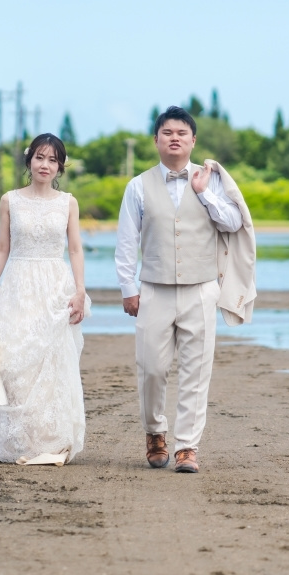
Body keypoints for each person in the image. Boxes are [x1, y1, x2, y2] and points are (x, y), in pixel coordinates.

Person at [115, 106, 247, 473]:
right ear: (156, 140)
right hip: (153, 289)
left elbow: (235, 221)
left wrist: (205, 194)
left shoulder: (213, 180)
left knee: (196, 369)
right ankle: (155, 433)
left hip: (201, 288)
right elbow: (127, 241)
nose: (175, 138)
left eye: (182, 133)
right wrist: (128, 287)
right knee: (152, 367)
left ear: (193, 141)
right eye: (167, 132)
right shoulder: (138, 186)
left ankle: (187, 446)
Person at [0, 133, 89, 466]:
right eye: (40, 157)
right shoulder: (10, 200)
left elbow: (74, 248)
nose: (46, 165)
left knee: (52, 362)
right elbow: (2, 247)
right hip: (18, 285)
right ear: (29, 161)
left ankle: (51, 442)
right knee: (15, 362)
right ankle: (20, 442)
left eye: (53, 160)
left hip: (55, 286)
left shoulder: (67, 202)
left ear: (60, 167)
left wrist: (80, 291)